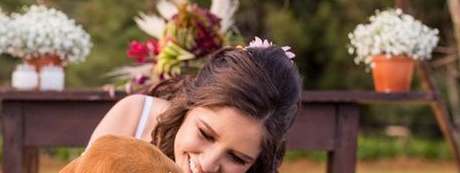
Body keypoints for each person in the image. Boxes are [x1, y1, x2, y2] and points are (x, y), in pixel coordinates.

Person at [87, 42, 302, 173]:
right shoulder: (134, 117)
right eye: (205, 134)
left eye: (237, 158)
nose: (208, 164)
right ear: (191, 101)